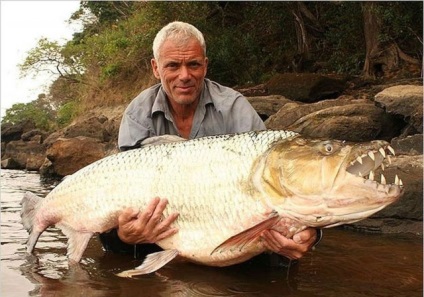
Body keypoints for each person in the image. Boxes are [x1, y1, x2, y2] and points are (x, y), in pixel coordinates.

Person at [100, 21, 321, 265]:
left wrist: (310, 231)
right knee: (114, 244)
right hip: (164, 227)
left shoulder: (234, 107)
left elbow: (277, 184)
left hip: (229, 221)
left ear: (205, 66)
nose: (184, 76)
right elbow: (121, 190)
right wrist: (124, 235)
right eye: (173, 66)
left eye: (193, 64)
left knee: (277, 256)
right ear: (155, 68)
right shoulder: (137, 114)